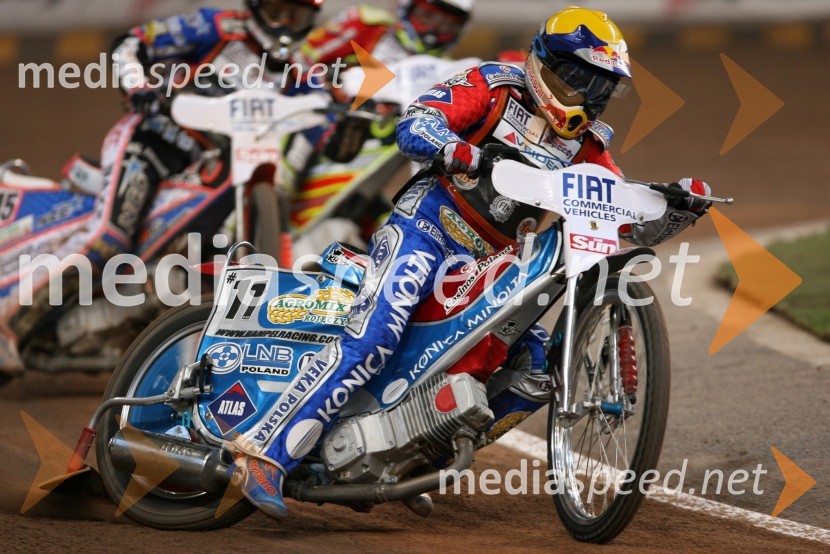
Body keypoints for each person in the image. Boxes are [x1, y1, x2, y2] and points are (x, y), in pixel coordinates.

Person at [232, 7, 713, 519]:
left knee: (536, 369)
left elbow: (611, 209)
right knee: (376, 334)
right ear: (548, 67)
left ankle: (408, 459)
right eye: (581, 81)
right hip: (426, 230)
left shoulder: (589, 144)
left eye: (602, 89)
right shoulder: (493, 85)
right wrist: (453, 149)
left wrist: (670, 205)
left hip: (492, 266)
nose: (588, 99)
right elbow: (416, 121)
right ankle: (265, 452)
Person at [0, 0, 325, 376]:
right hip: (153, 142)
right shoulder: (216, 26)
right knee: (109, 237)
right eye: (277, 10)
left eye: (296, 16)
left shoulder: (302, 72)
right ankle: (8, 321)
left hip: (214, 169)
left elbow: (321, 120)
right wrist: (137, 85)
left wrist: (345, 126)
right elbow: (131, 42)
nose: (285, 23)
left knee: (206, 259)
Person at [295, 0, 473, 69]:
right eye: (426, 16)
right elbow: (300, 60)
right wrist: (328, 85)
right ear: (407, 7)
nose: (432, 29)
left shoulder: (453, 71)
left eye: (447, 25)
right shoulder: (366, 24)